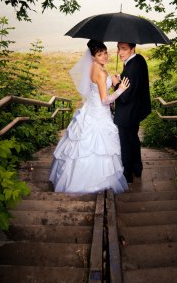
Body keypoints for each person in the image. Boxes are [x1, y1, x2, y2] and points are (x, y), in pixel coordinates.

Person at [49, 39, 130, 194]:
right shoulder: (99, 72)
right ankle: (95, 182)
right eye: (100, 54)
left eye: (105, 52)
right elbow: (105, 100)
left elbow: (98, 87)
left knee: (86, 147)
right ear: (93, 56)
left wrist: (112, 82)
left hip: (91, 110)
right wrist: (120, 89)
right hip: (99, 114)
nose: (105, 56)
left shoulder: (94, 67)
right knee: (98, 149)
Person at [112, 42, 151, 183]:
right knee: (133, 139)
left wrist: (116, 83)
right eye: (118, 48)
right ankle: (137, 168)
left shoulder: (130, 68)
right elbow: (134, 86)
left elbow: (124, 96)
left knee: (126, 143)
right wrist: (122, 78)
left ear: (132, 48)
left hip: (127, 113)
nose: (120, 52)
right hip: (137, 110)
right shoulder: (139, 60)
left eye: (124, 49)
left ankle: (127, 174)